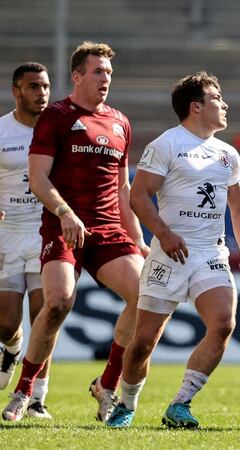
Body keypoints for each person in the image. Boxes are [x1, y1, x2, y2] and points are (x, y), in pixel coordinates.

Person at [1, 42, 149, 423]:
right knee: (59, 303)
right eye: (98, 72)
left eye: (109, 73)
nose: (105, 80)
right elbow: (38, 178)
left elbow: (123, 189)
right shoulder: (56, 117)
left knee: (144, 294)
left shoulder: (120, 122)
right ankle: (24, 391)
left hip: (107, 229)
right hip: (62, 225)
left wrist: (138, 239)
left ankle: (107, 385)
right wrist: (65, 212)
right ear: (78, 76)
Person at [104, 72, 240, 429]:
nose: (225, 104)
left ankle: (180, 404)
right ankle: (126, 404)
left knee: (223, 324)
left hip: (210, 253)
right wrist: (164, 233)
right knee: (142, 343)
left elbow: (239, 206)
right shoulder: (167, 145)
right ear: (196, 106)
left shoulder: (228, 154)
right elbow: (137, 195)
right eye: (218, 98)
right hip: (168, 255)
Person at [0, 62, 54, 419]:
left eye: (46, 86)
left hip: (44, 232)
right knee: (6, 323)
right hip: (7, 234)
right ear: (16, 91)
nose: (42, 93)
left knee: (45, 315)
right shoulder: (2, 131)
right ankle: (12, 349)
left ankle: (36, 398)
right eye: (33, 87)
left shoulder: (59, 128)